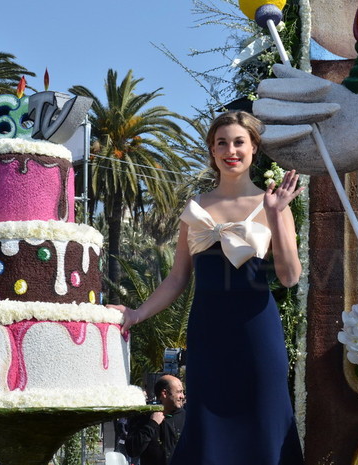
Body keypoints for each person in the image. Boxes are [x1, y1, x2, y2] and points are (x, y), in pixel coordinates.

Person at [110, 111, 305, 464]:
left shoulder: (273, 204)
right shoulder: (196, 206)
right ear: (212, 151)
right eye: (221, 143)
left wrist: (276, 215)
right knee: (209, 426)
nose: (231, 150)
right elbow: (176, 279)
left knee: (265, 421)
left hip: (257, 335)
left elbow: (290, 277)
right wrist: (136, 313)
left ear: (254, 148)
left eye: (239, 142)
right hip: (208, 335)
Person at [126, 375, 186, 465]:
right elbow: (132, 450)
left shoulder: (186, 417)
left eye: (182, 392)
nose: (182, 396)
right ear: (164, 393)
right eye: (179, 392)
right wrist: (152, 424)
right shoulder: (143, 416)